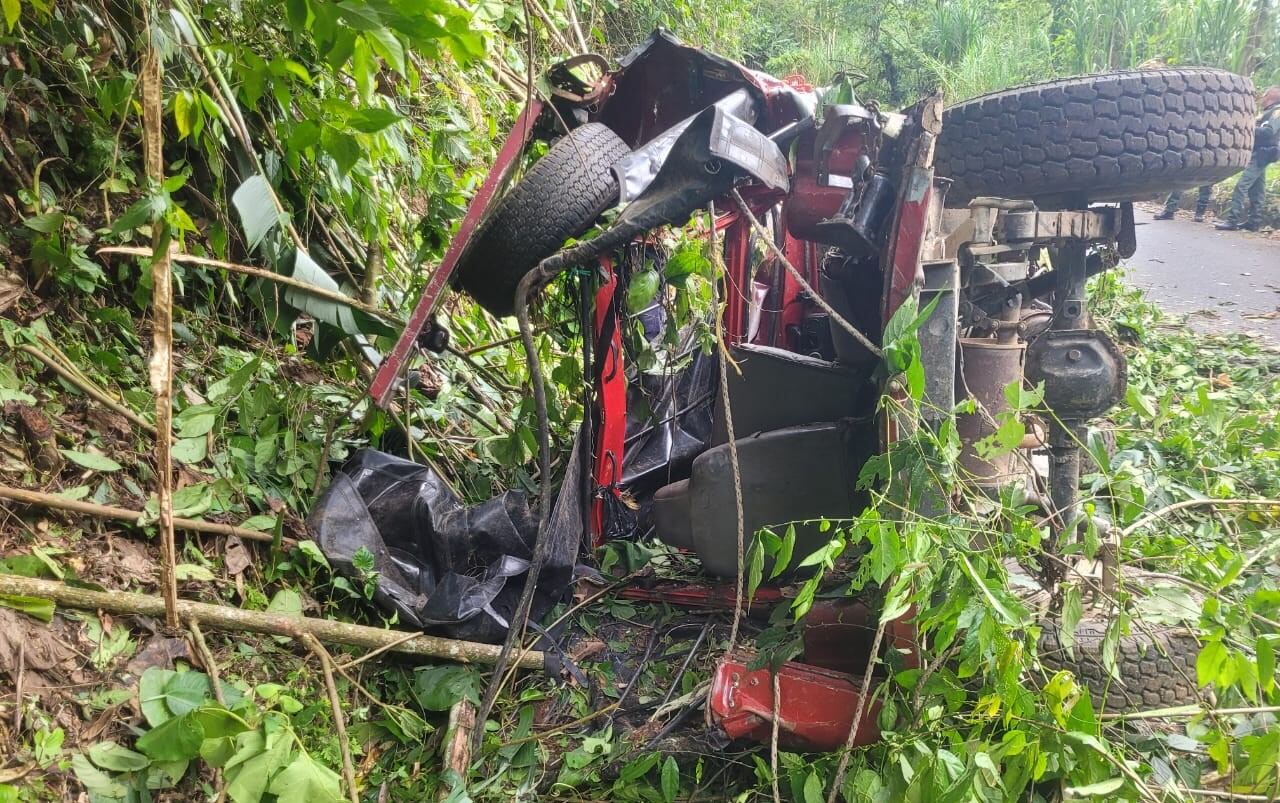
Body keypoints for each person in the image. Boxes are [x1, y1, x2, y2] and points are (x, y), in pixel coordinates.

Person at [1216, 85, 1280, 231]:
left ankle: (1232, 220)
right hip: (1259, 153)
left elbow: (1269, 132)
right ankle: (1254, 222)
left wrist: (1247, 128)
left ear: (1270, 96)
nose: (1262, 98)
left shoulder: (1277, 112)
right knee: (1257, 190)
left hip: (1261, 154)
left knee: (1241, 186)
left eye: (1264, 95)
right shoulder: (1268, 112)